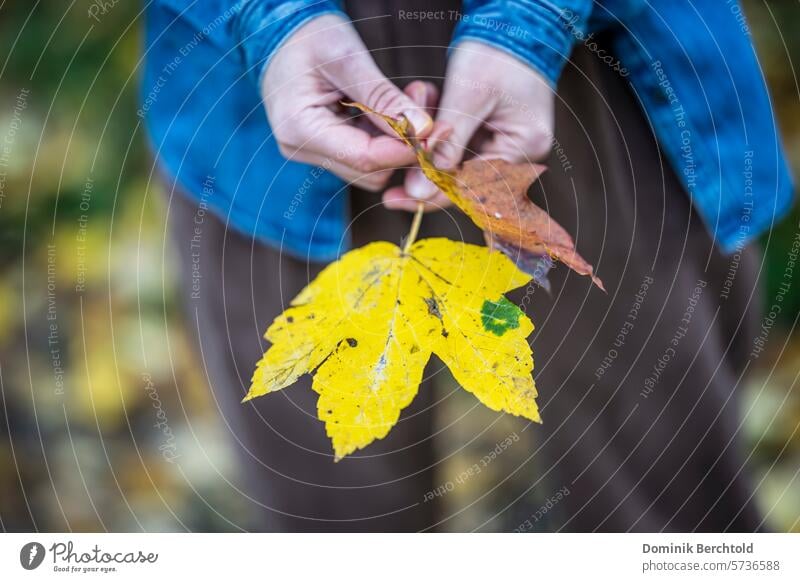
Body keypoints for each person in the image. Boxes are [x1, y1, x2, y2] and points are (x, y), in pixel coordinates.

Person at [142, 0, 793, 531]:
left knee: (667, 502)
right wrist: (269, 14)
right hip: (248, 118)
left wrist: (531, 19)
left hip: (590, 73)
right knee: (329, 519)